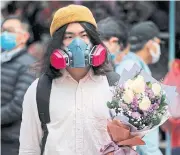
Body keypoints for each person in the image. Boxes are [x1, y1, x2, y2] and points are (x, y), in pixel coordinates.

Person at [19, 5, 116, 155]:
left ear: (94, 41)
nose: (77, 44)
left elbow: (128, 143)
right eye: (69, 37)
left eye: (84, 36)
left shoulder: (114, 86)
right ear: (57, 44)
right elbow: (28, 149)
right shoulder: (39, 90)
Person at [116, 21, 163, 155]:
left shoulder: (130, 66)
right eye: (157, 42)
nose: (158, 47)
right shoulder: (133, 70)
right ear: (149, 44)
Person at [1, 16, 36, 155]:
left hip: (11, 140)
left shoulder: (29, 65)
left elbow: (19, 105)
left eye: (9, 31)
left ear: (24, 36)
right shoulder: (3, 59)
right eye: (2, 30)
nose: (4, 35)